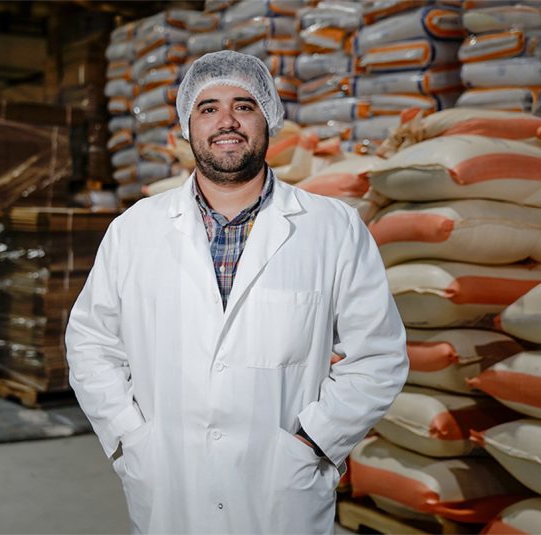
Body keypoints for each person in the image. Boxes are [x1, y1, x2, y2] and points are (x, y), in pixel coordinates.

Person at [65, 50, 409, 534]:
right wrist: (129, 438)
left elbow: (379, 354)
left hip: (280, 490)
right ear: (188, 126)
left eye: (244, 106)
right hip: (168, 485)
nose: (226, 121)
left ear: (269, 119)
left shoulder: (332, 228)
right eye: (208, 108)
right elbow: (91, 342)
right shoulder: (134, 230)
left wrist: (314, 441)